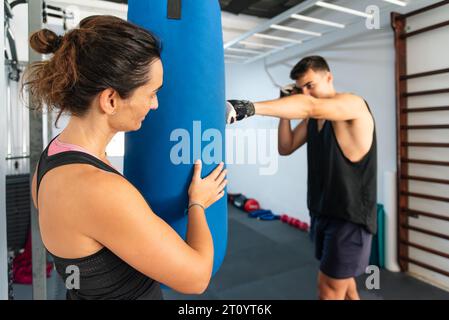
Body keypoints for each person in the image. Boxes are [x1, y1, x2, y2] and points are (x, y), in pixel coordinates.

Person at [25, 15, 227, 300]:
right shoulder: (96, 189)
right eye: (151, 93)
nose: (155, 104)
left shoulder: (52, 159)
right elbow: (197, 278)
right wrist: (198, 203)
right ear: (110, 100)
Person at [227, 56, 377, 300]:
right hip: (322, 212)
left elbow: (309, 106)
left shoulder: (353, 105)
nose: (307, 92)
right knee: (344, 283)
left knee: (328, 291)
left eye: (311, 85)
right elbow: (285, 147)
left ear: (328, 77)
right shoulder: (313, 119)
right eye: (302, 88)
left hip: (348, 219)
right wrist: (284, 108)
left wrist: (247, 107)